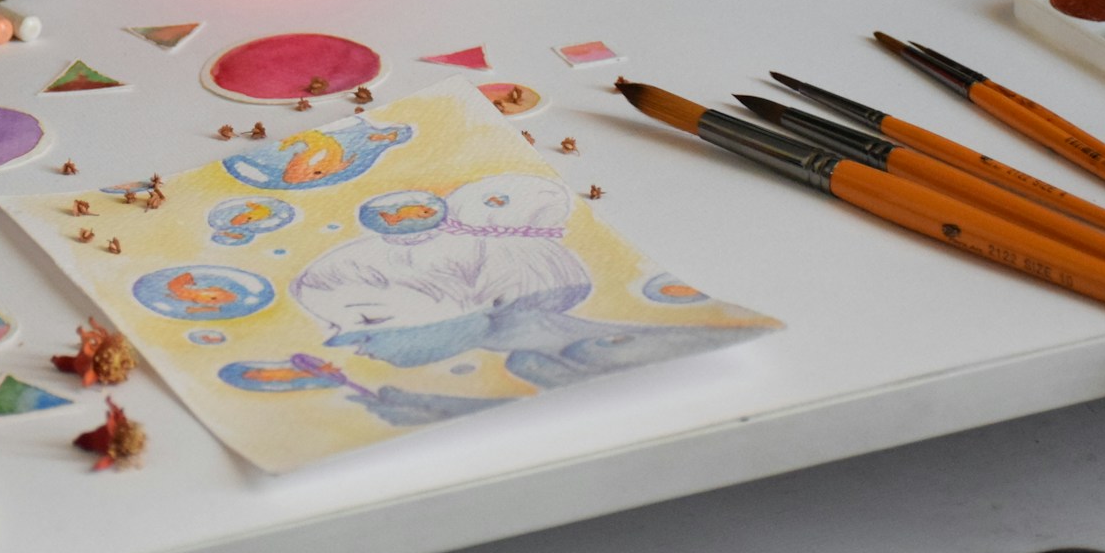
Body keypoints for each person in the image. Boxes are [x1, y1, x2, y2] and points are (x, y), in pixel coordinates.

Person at [287, 173, 764, 426]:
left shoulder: (608, 350)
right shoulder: (528, 365)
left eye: (369, 314)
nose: (339, 339)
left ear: (498, 295)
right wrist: (439, 411)